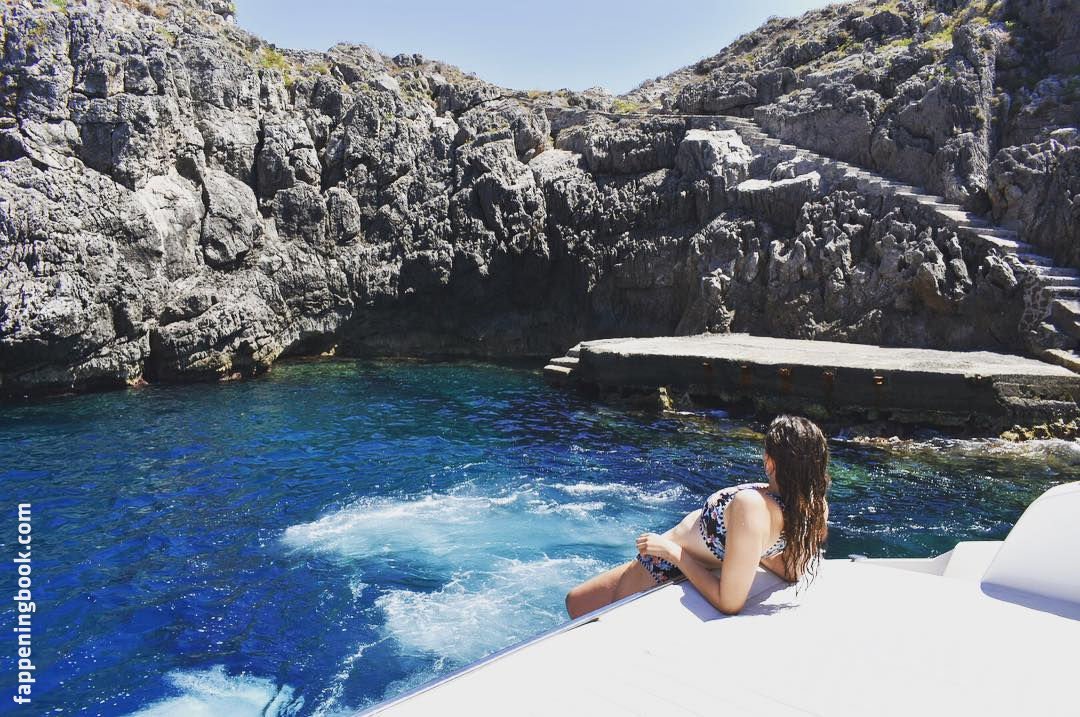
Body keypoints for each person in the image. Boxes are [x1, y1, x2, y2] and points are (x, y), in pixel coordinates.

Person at [565, 414, 830, 619]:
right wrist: (749, 552)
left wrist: (672, 552)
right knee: (576, 600)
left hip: (662, 565)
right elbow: (791, 570)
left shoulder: (752, 506)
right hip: (670, 559)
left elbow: (730, 603)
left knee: (591, 623)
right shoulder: (814, 507)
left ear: (770, 462)